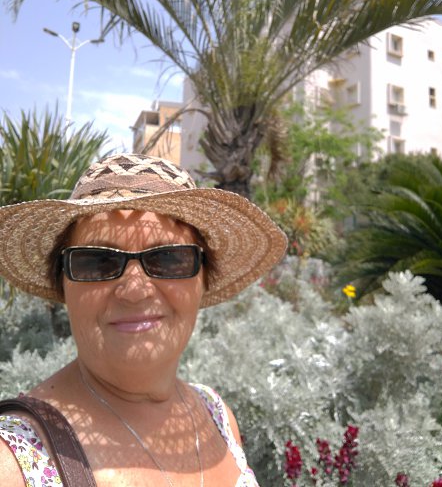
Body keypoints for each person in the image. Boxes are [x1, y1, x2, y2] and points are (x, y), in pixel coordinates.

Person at [0, 153, 286, 487]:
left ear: (204, 279)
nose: (134, 291)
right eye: (97, 262)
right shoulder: (13, 465)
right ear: (61, 283)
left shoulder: (216, 415)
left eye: (169, 258)